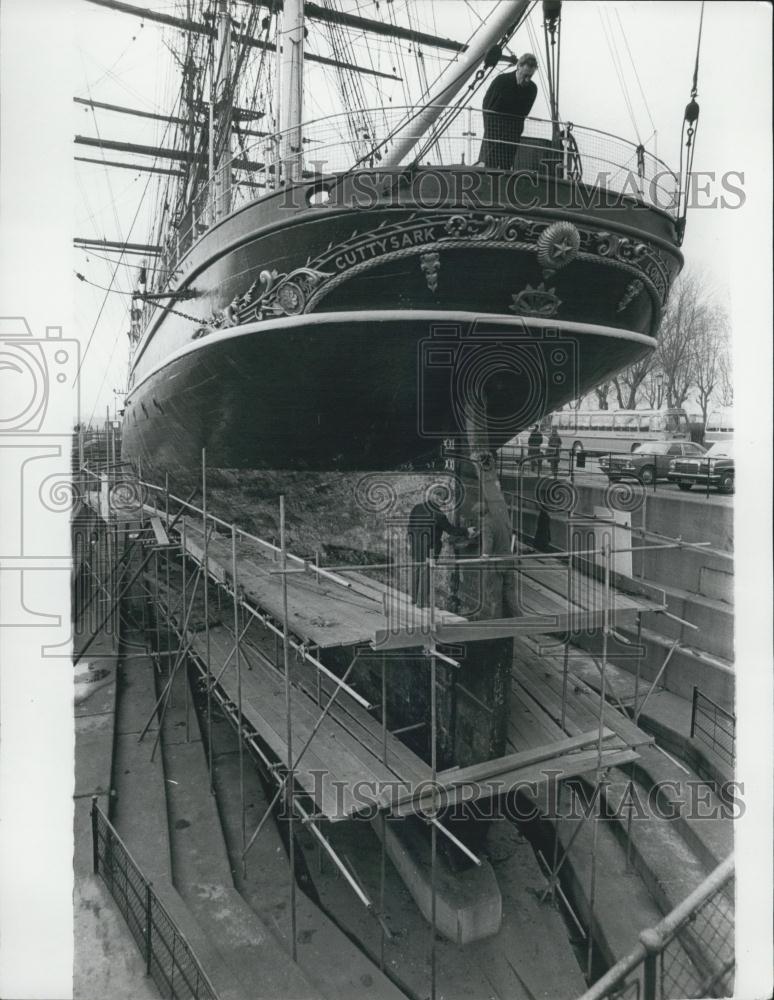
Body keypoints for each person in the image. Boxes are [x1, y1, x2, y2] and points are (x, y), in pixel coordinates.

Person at [476, 53, 538, 170]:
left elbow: (524, 113)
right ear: (518, 67)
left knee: (506, 165)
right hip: (494, 130)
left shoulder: (532, 89)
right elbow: (487, 104)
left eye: (530, 76)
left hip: (513, 132)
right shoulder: (501, 81)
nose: (527, 80)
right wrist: (489, 129)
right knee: (489, 163)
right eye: (525, 75)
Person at [407, 495, 467, 607]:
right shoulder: (439, 515)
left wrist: (410, 543)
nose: (442, 506)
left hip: (416, 548)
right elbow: (451, 530)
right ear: (437, 499)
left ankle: (413, 600)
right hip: (430, 550)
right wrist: (466, 530)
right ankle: (423, 603)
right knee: (426, 575)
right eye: (442, 503)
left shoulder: (417, 508)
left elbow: (410, 527)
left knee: (415, 573)